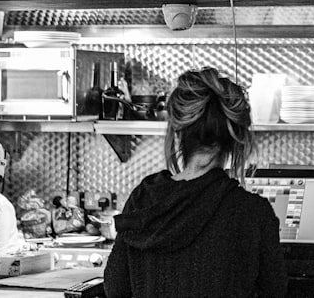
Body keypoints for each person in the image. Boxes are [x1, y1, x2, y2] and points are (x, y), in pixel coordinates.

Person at [104, 67, 287, 298]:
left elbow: (115, 288)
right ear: (236, 138)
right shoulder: (252, 212)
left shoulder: (144, 199)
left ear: (176, 131)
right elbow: (275, 291)